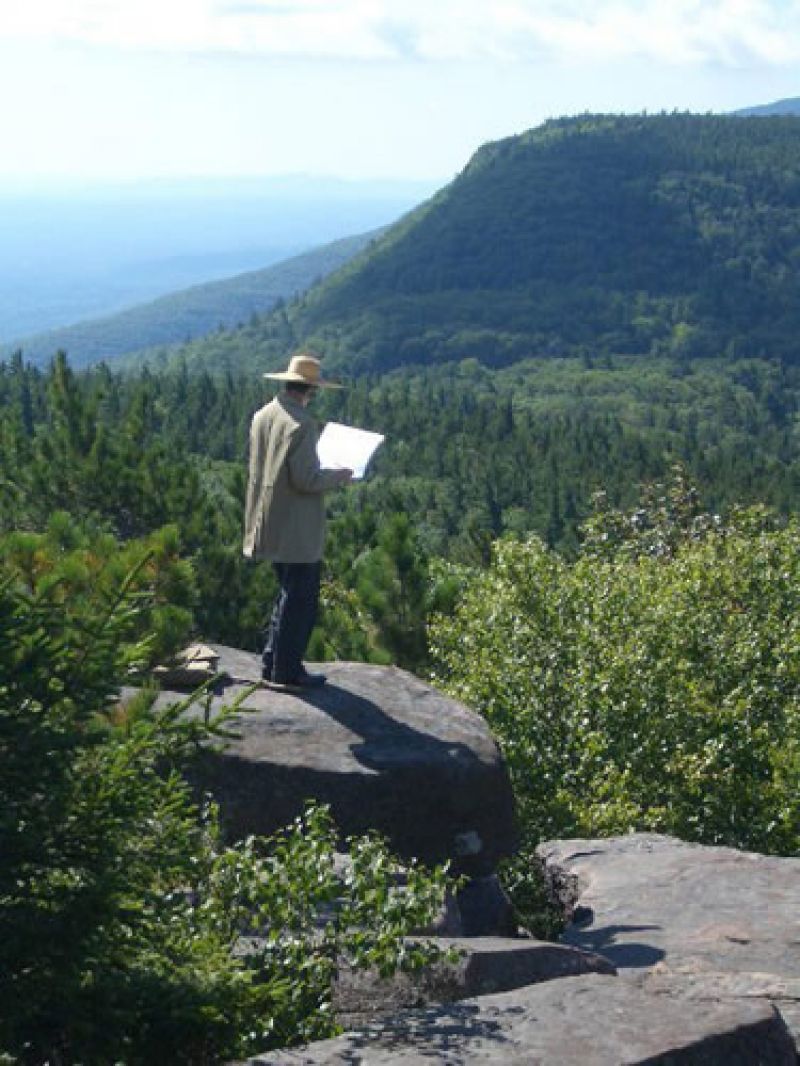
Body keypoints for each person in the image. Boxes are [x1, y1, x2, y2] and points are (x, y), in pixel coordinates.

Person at [243, 352, 352, 690]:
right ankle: (287, 671)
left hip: (267, 519)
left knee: (287, 593)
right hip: (296, 528)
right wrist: (340, 475)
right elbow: (306, 480)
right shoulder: (302, 424)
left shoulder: (264, 415)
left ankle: (272, 661)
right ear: (309, 390)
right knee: (300, 600)